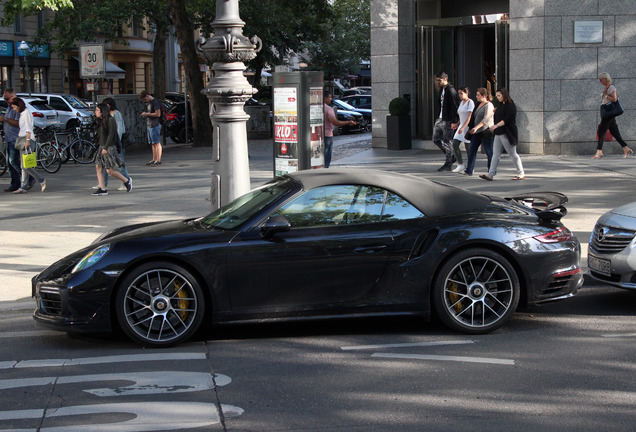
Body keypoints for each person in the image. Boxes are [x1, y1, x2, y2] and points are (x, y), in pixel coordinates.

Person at [480, 88, 524, 181]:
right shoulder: (501, 105)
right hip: (499, 133)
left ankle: (521, 173)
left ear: (504, 95)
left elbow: (506, 120)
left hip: (507, 132)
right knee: (495, 154)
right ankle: (490, 174)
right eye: (497, 96)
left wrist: (495, 126)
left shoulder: (510, 105)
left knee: (512, 154)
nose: (498, 98)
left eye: (499, 96)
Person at [91, 103, 132, 196]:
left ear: (102, 111)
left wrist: (105, 147)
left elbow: (111, 135)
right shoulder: (100, 121)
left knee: (109, 170)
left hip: (109, 147)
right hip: (102, 146)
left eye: (97, 110)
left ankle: (126, 180)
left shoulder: (111, 120)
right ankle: (102, 188)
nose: (95, 112)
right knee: (98, 166)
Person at [592, 72, 632, 159]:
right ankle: (625, 148)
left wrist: (606, 95)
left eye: (601, 79)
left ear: (605, 79)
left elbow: (614, 99)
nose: (600, 81)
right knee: (615, 132)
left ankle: (599, 151)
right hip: (606, 112)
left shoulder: (611, 87)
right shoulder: (606, 88)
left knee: (601, 131)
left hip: (609, 113)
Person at [11, 97, 47, 194]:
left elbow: (28, 128)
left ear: (19, 105)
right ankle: (23, 186)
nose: (14, 109)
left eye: (14, 107)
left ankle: (41, 179)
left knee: (26, 166)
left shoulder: (26, 113)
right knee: (24, 166)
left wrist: (27, 140)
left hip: (27, 139)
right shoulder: (23, 113)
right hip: (24, 139)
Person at [99, 97, 131, 191]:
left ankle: (126, 181)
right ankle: (103, 183)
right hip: (109, 143)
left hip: (115, 143)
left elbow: (119, 129)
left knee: (119, 164)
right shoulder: (106, 115)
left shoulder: (116, 114)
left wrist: (117, 141)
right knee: (105, 164)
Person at [463, 88, 494, 176]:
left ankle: (491, 171)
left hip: (485, 131)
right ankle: (469, 170)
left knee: (489, 152)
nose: (476, 97)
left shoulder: (489, 105)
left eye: (478, 95)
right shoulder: (479, 104)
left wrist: (476, 127)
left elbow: (486, 118)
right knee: (472, 150)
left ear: (484, 96)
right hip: (476, 132)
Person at [433, 72, 460, 171]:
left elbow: (454, 107)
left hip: (448, 120)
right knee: (435, 139)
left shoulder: (451, 91)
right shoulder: (442, 90)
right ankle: (452, 156)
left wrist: (454, 121)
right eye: (437, 80)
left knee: (447, 141)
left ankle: (448, 164)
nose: (438, 82)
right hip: (441, 118)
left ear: (445, 79)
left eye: (439, 80)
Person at [0, 88, 24, 192]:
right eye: (4, 99)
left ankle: (29, 177)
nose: (6, 101)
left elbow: (18, 123)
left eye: (7, 99)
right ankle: (15, 184)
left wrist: (4, 119)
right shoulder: (9, 107)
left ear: (13, 97)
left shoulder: (18, 107)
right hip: (9, 138)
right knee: (9, 163)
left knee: (13, 161)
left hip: (15, 137)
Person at [323, 93, 356, 168]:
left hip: (319, 135)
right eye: (330, 97)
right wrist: (348, 122)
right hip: (327, 134)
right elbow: (335, 122)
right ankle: (325, 168)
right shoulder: (328, 109)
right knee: (327, 154)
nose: (331, 99)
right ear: (325, 98)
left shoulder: (317, 107)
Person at [451, 87, 474, 173]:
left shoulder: (470, 102)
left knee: (468, 148)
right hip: (461, 126)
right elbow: (461, 116)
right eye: (459, 93)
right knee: (455, 144)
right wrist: (457, 124)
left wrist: (463, 127)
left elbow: (469, 117)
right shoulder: (461, 103)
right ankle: (460, 164)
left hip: (467, 127)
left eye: (461, 93)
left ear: (466, 93)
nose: (459, 95)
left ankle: (470, 167)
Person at [139, 90, 163, 166]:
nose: (145, 101)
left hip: (155, 124)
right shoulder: (150, 103)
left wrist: (147, 114)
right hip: (150, 124)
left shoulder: (155, 102)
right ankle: (154, 159)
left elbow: (158, 114)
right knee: (153, 143)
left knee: (157, 142)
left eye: (145, 99)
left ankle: (158, 159)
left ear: (147, 96)